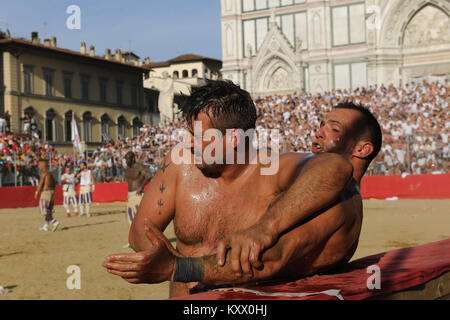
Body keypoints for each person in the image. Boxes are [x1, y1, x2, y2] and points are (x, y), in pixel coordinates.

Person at [103, 81, 382, 298]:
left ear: (234, 138)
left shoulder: (271, 169)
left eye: (199, 136)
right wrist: (174, 266)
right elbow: (141, 230)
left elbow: (335, 169)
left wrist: (265, 228)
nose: (188, 143)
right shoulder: (180, 163)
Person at [124, 151, 153, 226]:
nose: (126, 161)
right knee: (130, 217)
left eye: (128, 159)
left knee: (139, 217)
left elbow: (149, 176)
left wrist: (141, 187)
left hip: (138, 194)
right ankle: (135, 236)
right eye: (125, 159)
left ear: (133, 159)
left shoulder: (139, 167)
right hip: (130, 195)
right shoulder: (127, 169)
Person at [34, 160, 59, 232]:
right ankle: (46, 226)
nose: (38, 166)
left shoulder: (44, 174)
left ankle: (54, 222)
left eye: (39, 164)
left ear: (43, 165)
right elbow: (54, 184)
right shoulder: (50, 174)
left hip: (45, 193)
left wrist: (36, 192)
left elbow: (40, 184)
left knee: (43, 209)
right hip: (51, 192)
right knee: (49, 210)